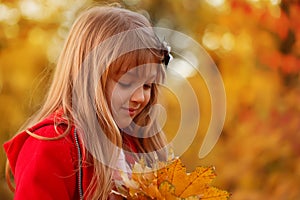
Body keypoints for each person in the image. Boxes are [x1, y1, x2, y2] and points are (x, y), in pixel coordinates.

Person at [4, 4, 171, 200]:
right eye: (127, 83)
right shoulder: (53, 144)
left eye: (147, 86)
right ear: (88, 77)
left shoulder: (137, 146)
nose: (140, 98)